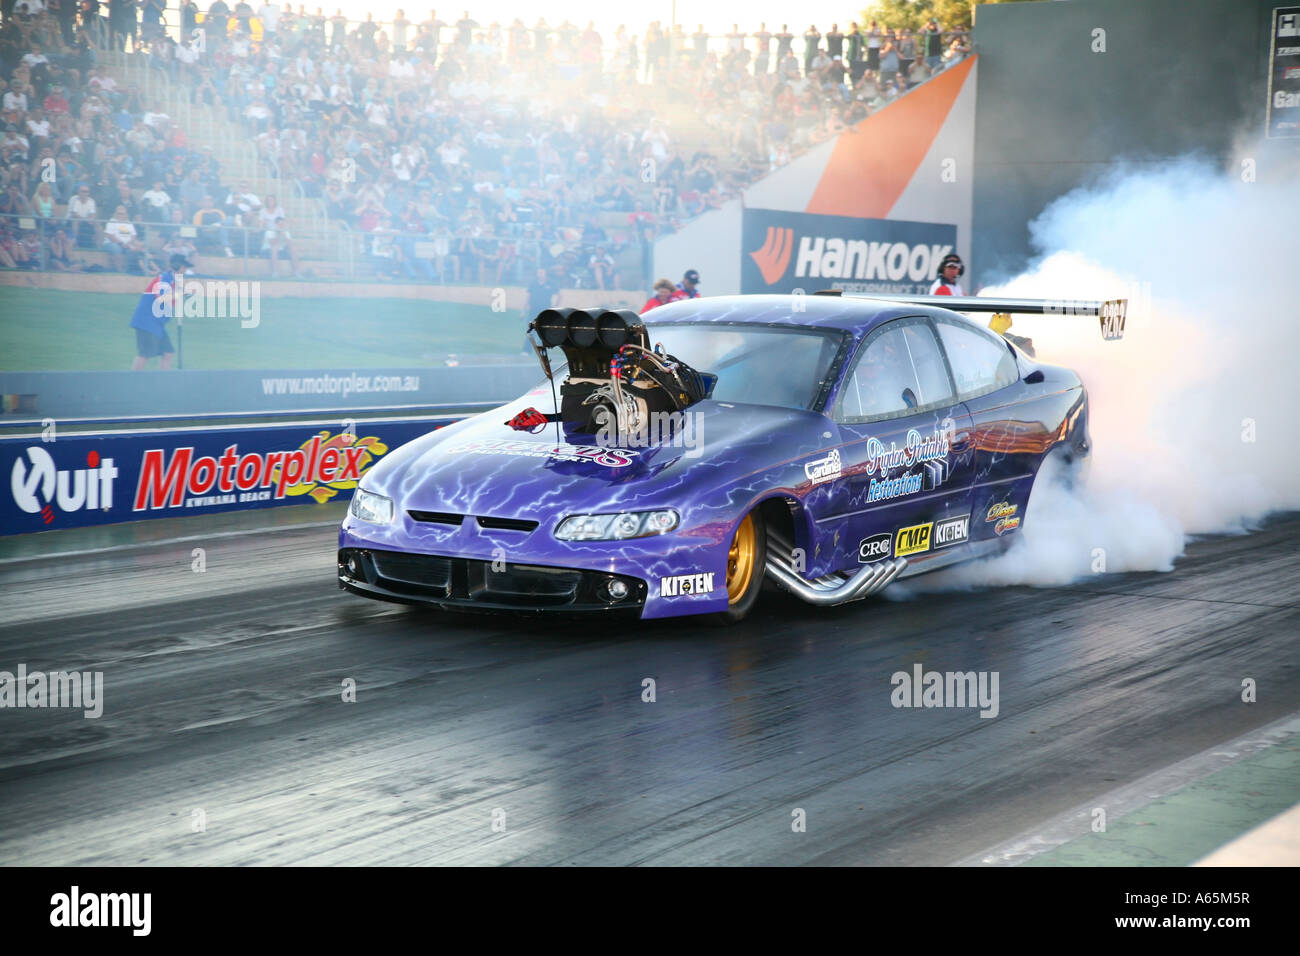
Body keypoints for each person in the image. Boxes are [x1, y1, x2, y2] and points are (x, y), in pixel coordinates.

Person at [130, 253, 189, 370]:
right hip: (147, 322)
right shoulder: (163, 279)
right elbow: (162, 298)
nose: (185, 270)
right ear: (177, 266)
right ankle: (133, 381)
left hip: (157, 324)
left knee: (168, 353)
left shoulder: (174, 282)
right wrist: (180, 294)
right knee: (144, 354)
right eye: (184, 266)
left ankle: (164, 383)